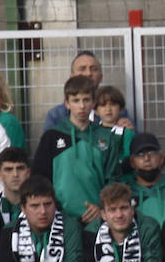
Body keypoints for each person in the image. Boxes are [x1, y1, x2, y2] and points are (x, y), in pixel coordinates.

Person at [32, 76, 127, 224]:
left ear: (94, 102)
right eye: (76, 100)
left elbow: (113, 180)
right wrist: (53, 208)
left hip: (97, 217)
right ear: (67, 103)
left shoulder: (106, 137)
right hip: (59, 218)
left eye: (86, 100)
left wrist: (101, 207)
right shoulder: (52, 137)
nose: (82, 106)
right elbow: (40, 179)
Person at [0, 175, 82, 262]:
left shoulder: (70, 227)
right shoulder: (10, 231)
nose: (43, 211)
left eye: (48, 204)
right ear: (23, 208)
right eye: (35, 206)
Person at [82, 182, 162, 262]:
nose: (119, 215)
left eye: (124, 208)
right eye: (112, 210)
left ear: (132, 210)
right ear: (103, 215)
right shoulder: (91, 232)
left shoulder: (149, 228)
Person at [42, 51, 132, 132]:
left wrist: (127, 130)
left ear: (101, 77)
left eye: (94, 69)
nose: (88, 73)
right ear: (72, 77)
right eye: (82, 69)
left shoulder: (118, 111)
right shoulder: (57, 115)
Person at [119, 133, 165, 227]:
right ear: (132, 162)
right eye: (140, 154)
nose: (147, 158)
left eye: (151, 153)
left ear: (161, 158)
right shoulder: (125, 193)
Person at [0, 146, 29, 224]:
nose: (15, 174)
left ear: (28, 173)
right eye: (8, 170)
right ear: (0, 175)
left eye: (20, 168)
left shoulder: (41, 208)